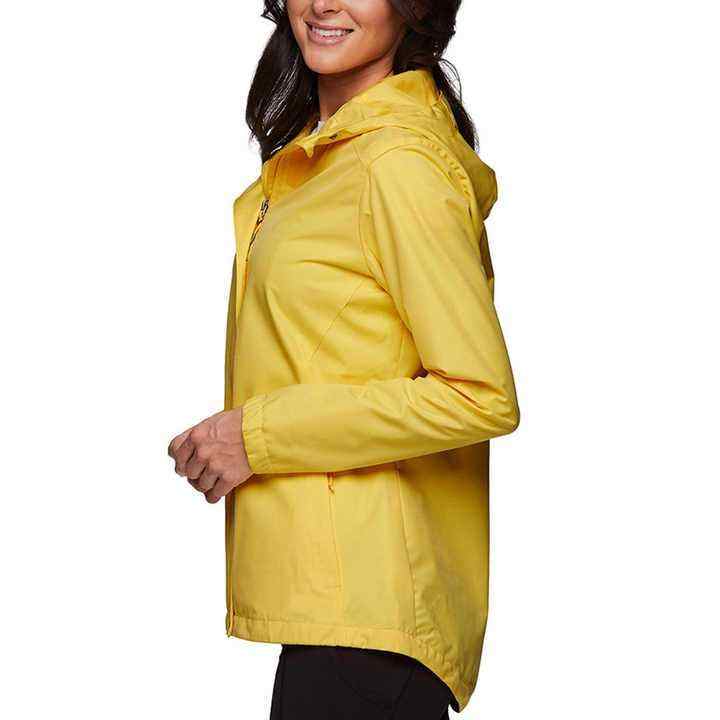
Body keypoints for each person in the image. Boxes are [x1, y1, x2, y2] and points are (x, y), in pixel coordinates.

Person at [168, 1, 520, 717]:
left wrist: (255, 437)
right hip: (342, 615)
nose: (325, 3)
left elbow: (479, 394)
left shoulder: (396, 163)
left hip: (369, 623)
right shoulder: (330, 153)